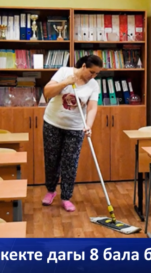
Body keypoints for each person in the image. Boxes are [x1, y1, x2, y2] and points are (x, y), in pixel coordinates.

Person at [41, 54, 102, 211]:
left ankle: (66, 197)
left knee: (70, 163)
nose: (93, 76)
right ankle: (51, 191)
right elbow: (47, 93)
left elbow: (92, 107)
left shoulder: (93, 85)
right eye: (91, 72)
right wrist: (65, 82)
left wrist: (88, 125)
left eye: (96, 74)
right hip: (53, 123)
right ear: (83, 66)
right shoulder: (64, 72)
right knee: (51, 160)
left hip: (75, 128)